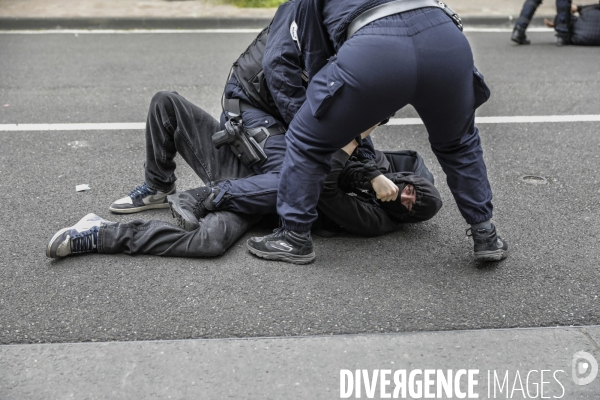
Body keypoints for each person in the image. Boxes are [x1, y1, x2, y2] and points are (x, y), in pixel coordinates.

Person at [45, 1, 443, 260]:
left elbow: (318, 185)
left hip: (259, 197)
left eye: (408, 206)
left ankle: (97, 233)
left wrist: (366, 169)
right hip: (258, 159)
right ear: (406, 178)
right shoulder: (384, 166)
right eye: (409, 191)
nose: (403, 198)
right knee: (166, 102)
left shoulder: (376, 218)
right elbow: (345, 125)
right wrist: (370, 166)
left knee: (210, 243)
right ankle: (158, 185)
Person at [246, 0, 508, 264]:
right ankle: (485, 234)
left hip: (376, 48)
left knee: (306, 138)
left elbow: (317, 53)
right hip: (444, 40)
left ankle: (294, 238)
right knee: (458, 143)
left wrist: (325, 114)